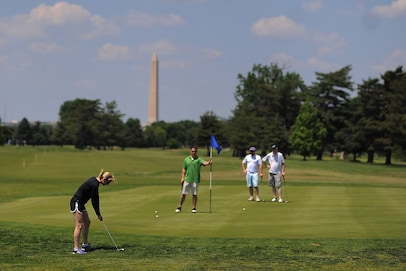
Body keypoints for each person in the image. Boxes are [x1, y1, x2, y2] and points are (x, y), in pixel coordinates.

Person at [70, 169, 115, 254]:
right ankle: (76, 249)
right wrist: (98, 214)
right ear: (103, 179)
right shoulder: (94, 184)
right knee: (79, 225)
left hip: (81, 204)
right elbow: (95, 201)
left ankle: (85, 245)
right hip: (76, 202)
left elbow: (95, 199)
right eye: (107, 183)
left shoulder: (94, 181)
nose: (106, 185)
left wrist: (98, 213)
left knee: (87, 222)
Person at [175, 146, 212, 213]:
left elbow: (204, 163)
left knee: (194, 194)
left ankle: (194, 208)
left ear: (196, 152)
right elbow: (184, 169)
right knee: (183, 194)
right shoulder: (186, 159)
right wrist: (182, 178)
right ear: (190, 151)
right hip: (187, 179)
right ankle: (179, 206)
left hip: (195, 179)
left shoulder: (199, 159)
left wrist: (208, 163)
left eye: (195, 151)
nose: (193, 152)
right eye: (192, 151)